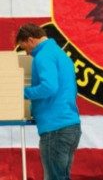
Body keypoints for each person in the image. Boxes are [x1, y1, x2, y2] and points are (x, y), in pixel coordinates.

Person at [16, 23, 81, 180]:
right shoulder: (59, 53)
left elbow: (49, 87)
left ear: (30, 40)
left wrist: (20, 93)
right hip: (70, 126)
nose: (27, 53)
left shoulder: (43, 56)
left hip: (55, 130)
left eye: (24, 48)